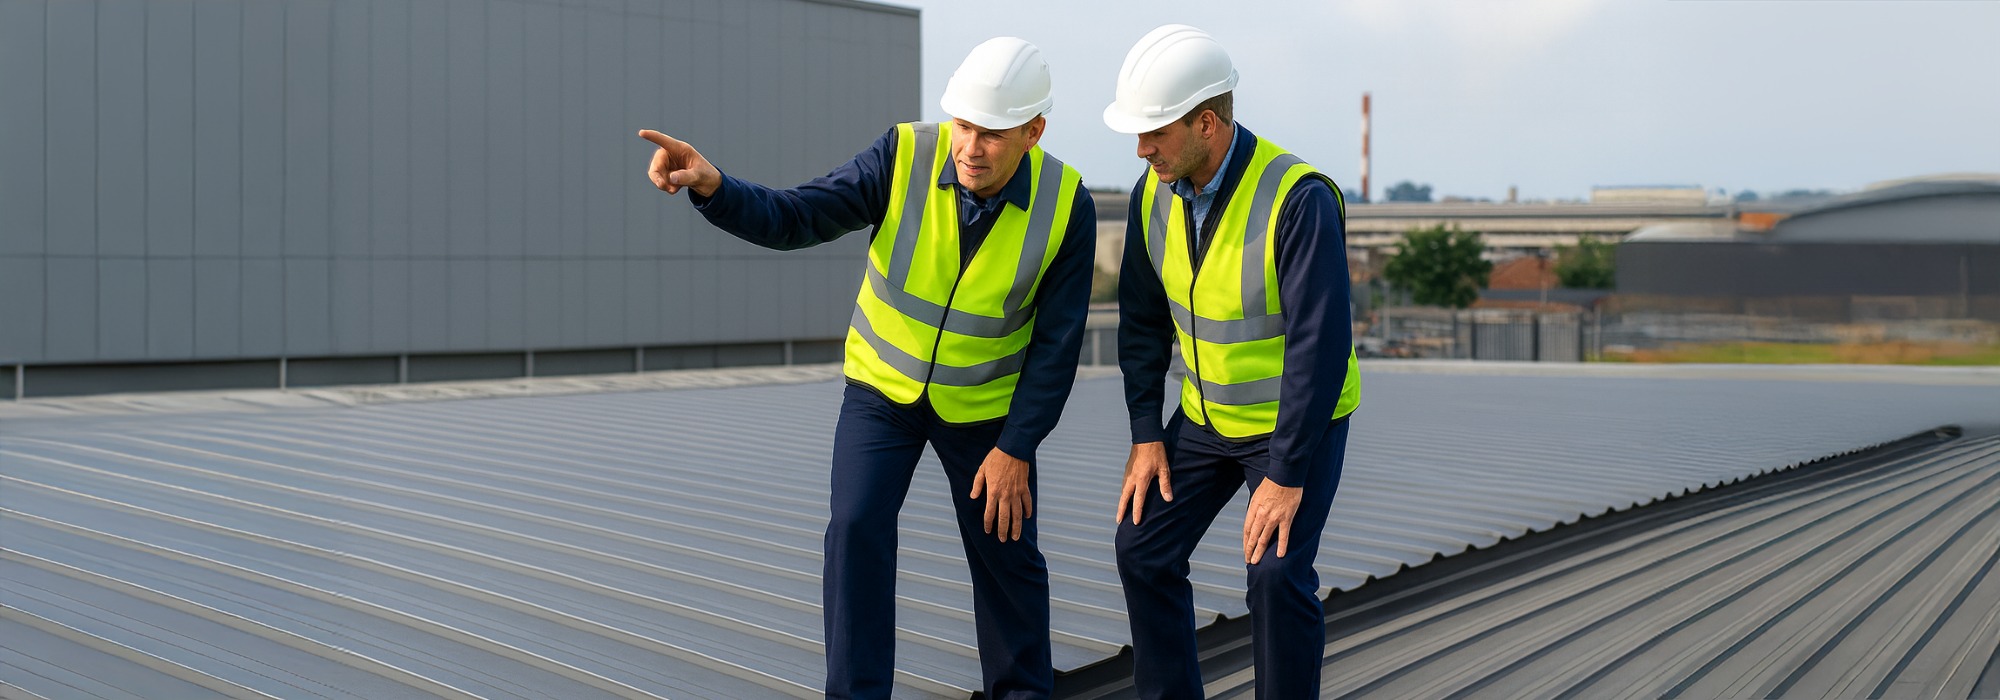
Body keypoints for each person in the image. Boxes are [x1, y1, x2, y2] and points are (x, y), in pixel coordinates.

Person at [637, 37, 1094, 700]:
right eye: (963, 125)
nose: (970, 147)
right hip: (882, 391)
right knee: (855, 530)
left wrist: (1016, 447)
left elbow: (1057, 346)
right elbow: (797, 216)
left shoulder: (1065, 205)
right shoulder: (902, 156)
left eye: (992, 134)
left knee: (1008, 555)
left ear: (1033, 131)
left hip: (984, 413)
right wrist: (714, 187)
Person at [1102, 24, 1361, 699]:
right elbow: (1141, 321)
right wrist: (1145, 433)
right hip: (1206, 420)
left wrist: (1286, 472)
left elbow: (1319, 346)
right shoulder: (1151, 192)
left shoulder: (1298, 199)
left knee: (1275, 576)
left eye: (1154, 133)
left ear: (1207, 125)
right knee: (1142, 549)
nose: (1141, 148)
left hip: (1293, 426)